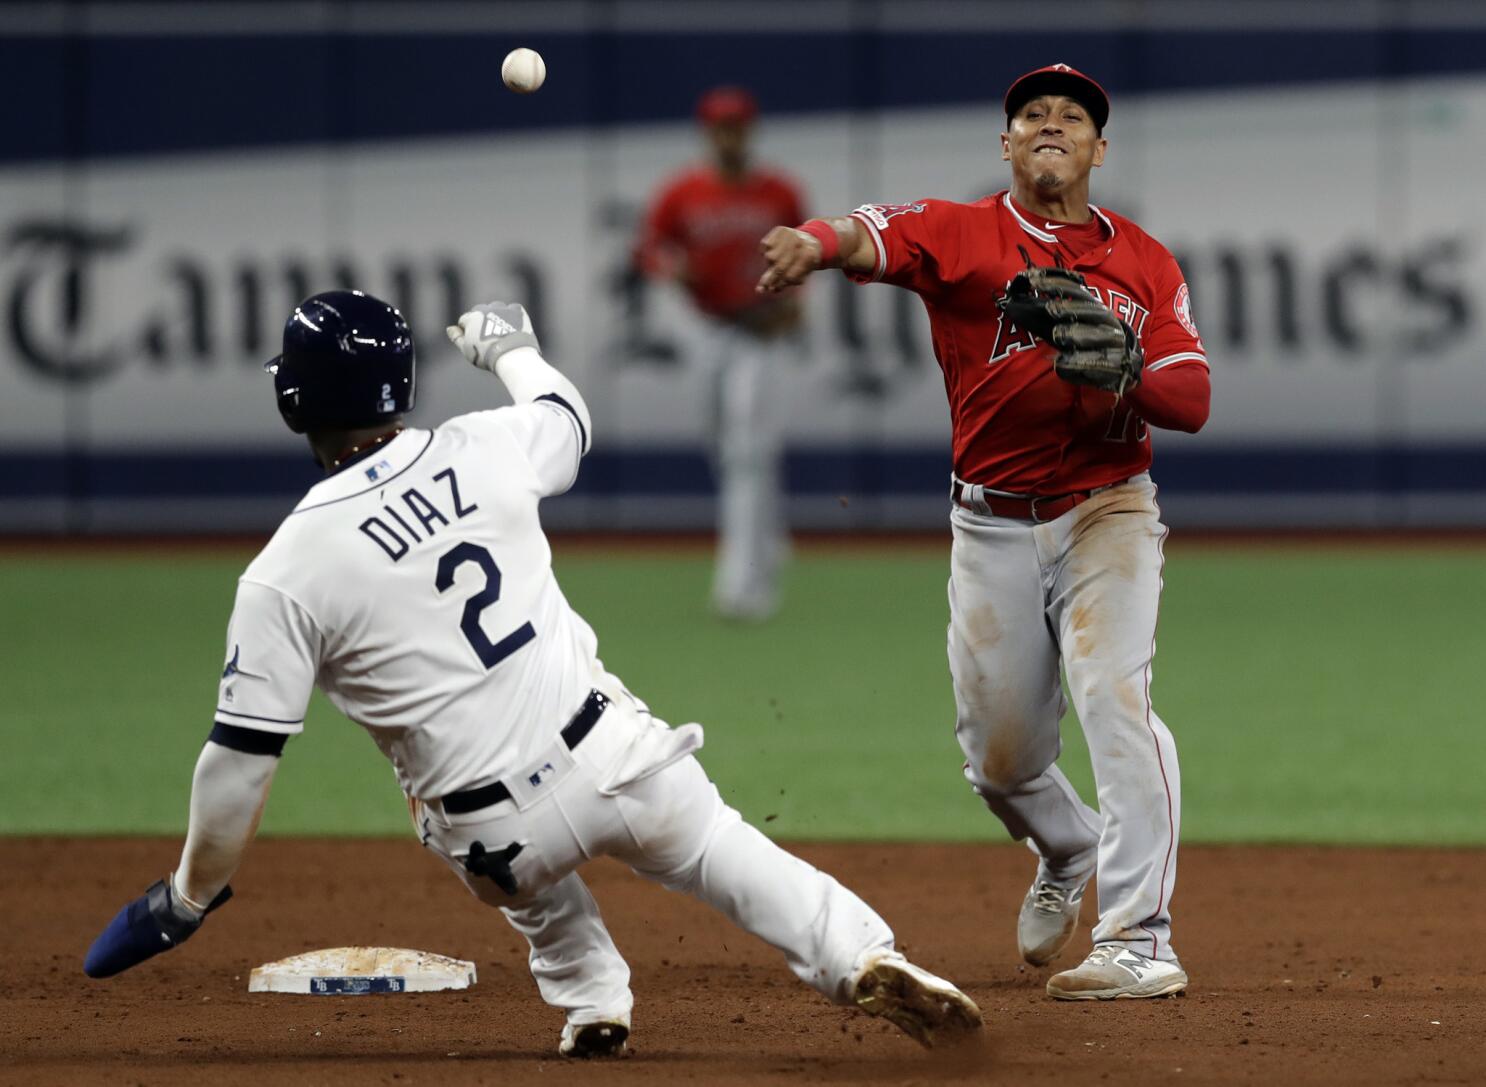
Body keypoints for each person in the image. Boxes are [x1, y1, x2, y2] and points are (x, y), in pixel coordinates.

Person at [81, 289, 983, 1055]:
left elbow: (241, 760)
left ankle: (591, 994)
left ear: (290, 399)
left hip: (494, 839)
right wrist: (512, 349)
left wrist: (189, 894)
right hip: (616, 760)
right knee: (722, 850)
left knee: (464, 826)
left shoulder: (283, 571)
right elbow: (568, 417)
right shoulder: (478, 445)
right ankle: (861, 955)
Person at [756, 64, 1211, 1001]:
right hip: (991, 522)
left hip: (1107, 510)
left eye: (1072, 115)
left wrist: (1126, 369)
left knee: (1114, 695)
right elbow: (865, 234)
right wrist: (811, 241)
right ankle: (1068, 844)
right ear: (1005, 144)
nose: (1051, 123)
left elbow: (1193, 399)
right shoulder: (961, 232)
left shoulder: (1149, 262)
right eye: (1031, 114)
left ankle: (1141, 938)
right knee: (1000, 762)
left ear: (1098, 149)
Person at [636, 86, 805, 620]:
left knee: (746, 453)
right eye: (719, 127)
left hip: (758, 330)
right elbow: (648, 248)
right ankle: (769, 537)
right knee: (721, 443)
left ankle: (744, 586)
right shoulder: (683, 191)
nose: (729, 135)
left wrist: (796, 299)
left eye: (737, 126)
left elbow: (806, 248)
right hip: (705, 327)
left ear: (748, 132)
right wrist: (671, 267)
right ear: (707, 133)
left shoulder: (778, 191)